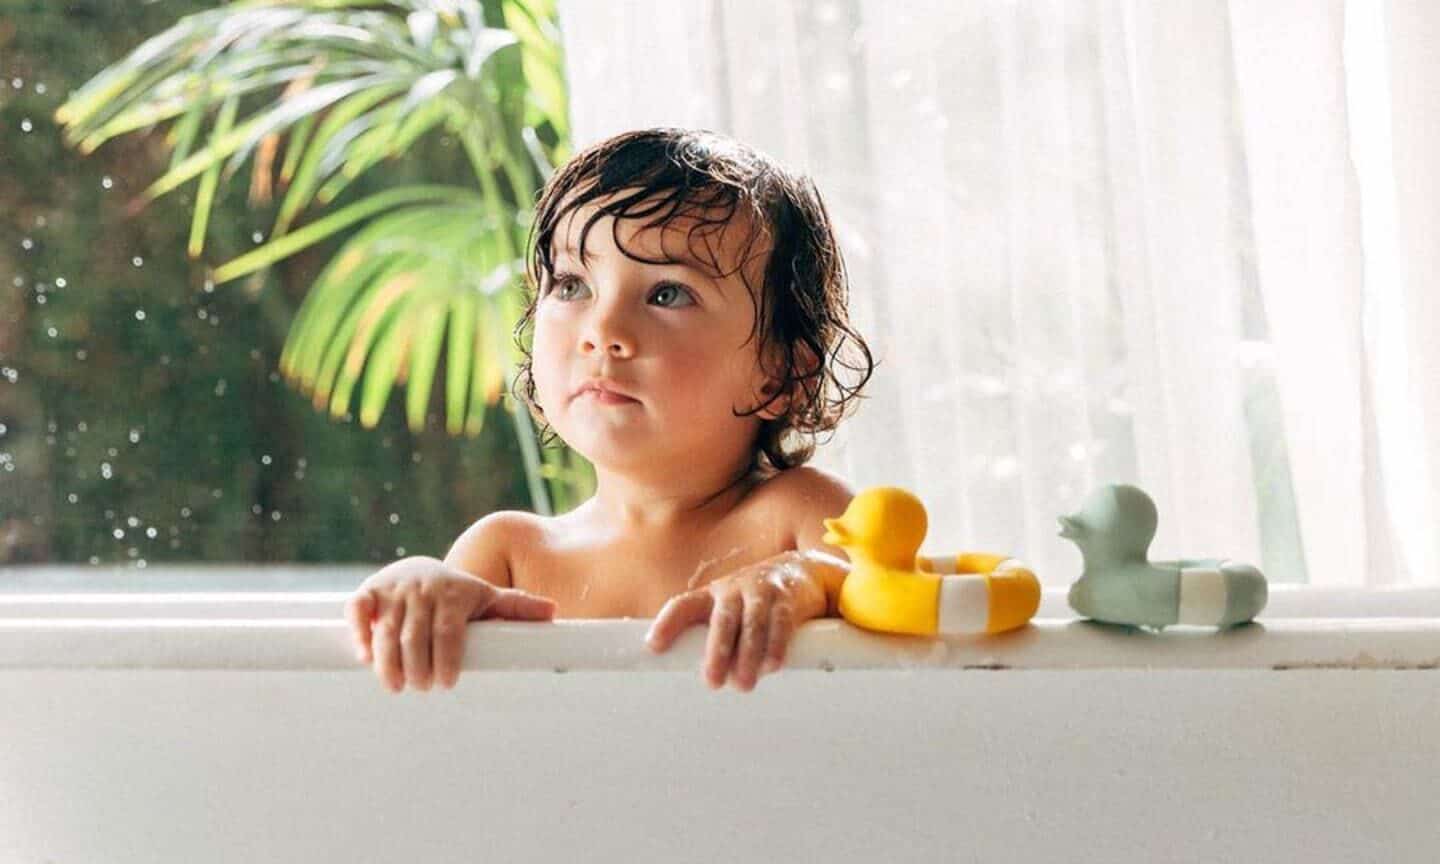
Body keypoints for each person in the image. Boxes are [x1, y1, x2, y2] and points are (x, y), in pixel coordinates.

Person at [346, 127, 875, 693]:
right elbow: (439, 703)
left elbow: (896, 599)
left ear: (781, 373)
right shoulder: (512, 554)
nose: (603, 331)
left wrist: (806, 577)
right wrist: (416, 583)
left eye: (667, 293)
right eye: (573, 285)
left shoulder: (796, 517)